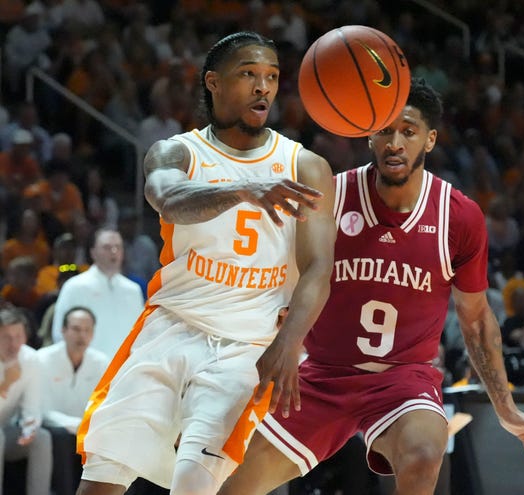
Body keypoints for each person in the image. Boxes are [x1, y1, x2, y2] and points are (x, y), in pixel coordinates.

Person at [217, 78, 524, 495]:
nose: (395, 142)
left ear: (429, 140)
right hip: (322, 375)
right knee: (230, 485)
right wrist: (273, 346)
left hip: (404, 381)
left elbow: (475, 319)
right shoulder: (330, 197)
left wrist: (505, 408)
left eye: (409, 131)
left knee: (423, 452)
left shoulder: (459, 217)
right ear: (369, 136)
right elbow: (279, 281)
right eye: (384, 130)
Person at [75, 31, 335, 495]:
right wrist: (243, 188)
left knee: (195, 483)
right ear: (213, 83)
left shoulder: (305, 166)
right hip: (170, 327)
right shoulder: (177, 152)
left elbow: (318, 267)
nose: (264, 88)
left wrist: (289, 344)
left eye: (272, 77)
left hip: (247, 344)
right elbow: (170, 200)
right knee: (102, 476)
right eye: (249, 74)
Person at [37, 306, 109, 495]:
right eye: (76, 329)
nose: (82, 336)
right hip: (52, 427)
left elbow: (105, 405)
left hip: (86, 430)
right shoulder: (42, 359)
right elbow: (40, 409)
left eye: (87, 330)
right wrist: (75, 425)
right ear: (63, 330)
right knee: (62, 438)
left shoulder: (101, 362)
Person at [51, 228, 144, 358]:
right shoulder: (75, 286)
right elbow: (59, 333)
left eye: (118, 247)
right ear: (93, 252)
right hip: (89, 368)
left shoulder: (133, 290)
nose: (114, 252)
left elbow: (140, 334)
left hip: (125, 369)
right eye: (107, 247)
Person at [0, 305, 53, 495]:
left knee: (42, 437)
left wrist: (30, 427)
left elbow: (32, 406)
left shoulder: (30, 358)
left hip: (6, 432)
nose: (14, 344)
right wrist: (5, 384)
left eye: (18, 337)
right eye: (7, 337)